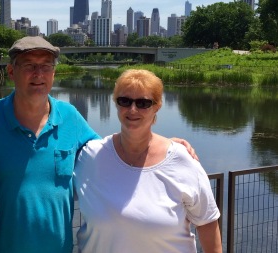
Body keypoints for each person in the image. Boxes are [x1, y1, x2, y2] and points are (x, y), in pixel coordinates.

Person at [0, 36, 198, 253]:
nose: (38, 74)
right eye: (28, 66)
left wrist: (159, 142)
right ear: (11, 72)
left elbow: (110, 152)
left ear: (54, 73)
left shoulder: (70, 117)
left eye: (46, 66)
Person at [73, 69, 222, 253]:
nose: (132, 109)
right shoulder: (91, 156)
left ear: (157, 106)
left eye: (143, 103)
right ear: (116, 103)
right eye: (124, 101)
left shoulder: (182, 160)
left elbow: (207, 222)